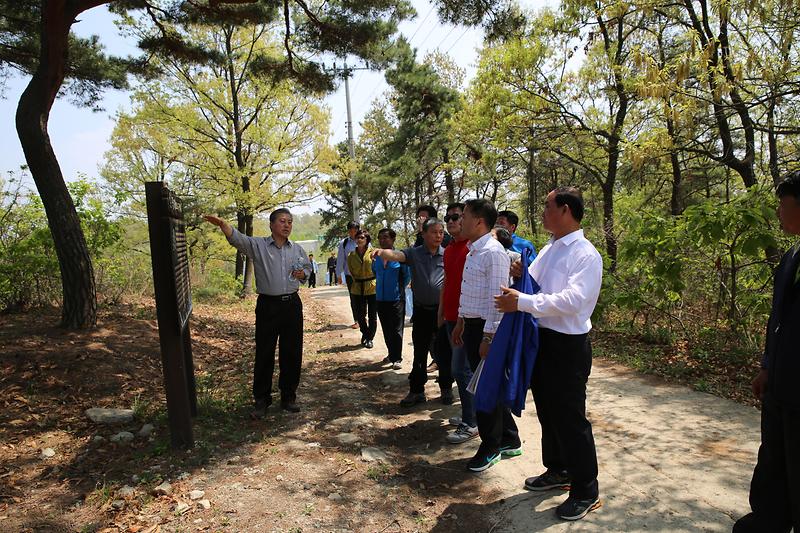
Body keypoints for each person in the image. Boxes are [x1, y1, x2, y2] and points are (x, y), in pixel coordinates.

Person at [495, 186, 603, 521]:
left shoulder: (585, 254)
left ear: (566, 210)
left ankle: (586, 489)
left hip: (568, 346)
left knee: (570, 417)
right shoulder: (551, 247)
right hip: (542, 340)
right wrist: (520, 276)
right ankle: (558, 469)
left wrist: (523, 302)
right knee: (548, 411)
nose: (542, 213)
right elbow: (534, 281)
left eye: (548, 206)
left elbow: (574, 301)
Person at [733, 171, 800, 533]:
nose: (777, 211)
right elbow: (779, 319)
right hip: (780, 386)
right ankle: (768, 520)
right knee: (773, 461)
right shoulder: (791, 257)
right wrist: (766, 366)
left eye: (783, 203)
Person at [203, 209, 310, 416]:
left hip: (292, 305)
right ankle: (261, 399)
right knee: (264, 352)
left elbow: (307, 270)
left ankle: (288, 396)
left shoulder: (296, 249)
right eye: (282, 221)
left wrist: (303, 273)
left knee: (292, 352)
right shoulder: (258, 246)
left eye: (290, 222)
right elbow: (237, 238)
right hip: (268, 306)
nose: (286, 225)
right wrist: (222, 224)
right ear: (271, 225)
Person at [451, 199, 517, 472]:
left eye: (464, 216)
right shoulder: (473, 251)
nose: (459, 220)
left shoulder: (493, 253)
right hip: (473, 325)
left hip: (488, 329)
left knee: (484, 390)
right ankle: (510, 440)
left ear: (478, 221)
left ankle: (490, 447)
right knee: (488, 386)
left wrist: (488, 338)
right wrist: (461, 322)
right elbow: (472, 294)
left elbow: (498, 300)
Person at [373, 218, 446, 407]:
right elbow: (397, 255)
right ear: (424, 234)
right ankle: (416, 391)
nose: (438, 236)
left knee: (444, 352)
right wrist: (382, 252)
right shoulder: (414, 253)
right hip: (422, 311)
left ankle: (446, 389)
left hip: (442, 312)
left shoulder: (447, 255)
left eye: (441, 232)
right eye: (434, 232)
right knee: (420, 352)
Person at [438, 202, 478, 444]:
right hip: (452, 317)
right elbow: (448, 284)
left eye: (456, 217)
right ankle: (468, 414)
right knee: (461, 370)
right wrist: (442, 311)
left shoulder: (472, 249)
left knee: (462, 370)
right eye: (448, 218)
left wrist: (462, 319)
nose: (451, 221)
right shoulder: (450, 249)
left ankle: (472, 422)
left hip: (466, 319)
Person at [374, 228, 411, 370]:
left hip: (396, 298)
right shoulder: (376, 257)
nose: (383, 240)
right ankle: (391, 353)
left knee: (396, 329)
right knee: (386, 328)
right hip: (380, 299)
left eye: (386, 237)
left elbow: (407, 275)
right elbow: (374, 272)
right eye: (380, 238)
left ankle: (397, 358)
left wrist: (398, 288)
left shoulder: (400, 257)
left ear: (393, 239)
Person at [347, 229, 377, 349]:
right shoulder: (351, 255)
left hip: (372, 286)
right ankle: (365, 333)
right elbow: (351, 271)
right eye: (358, 237)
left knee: (372, 315)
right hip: (357, 287)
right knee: (360, 314)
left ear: (367, 240)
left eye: (362, 237)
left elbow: (377, 269)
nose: (359, 239)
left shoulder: (373, 253)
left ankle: (370, 338)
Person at [336, 221, 360, 329]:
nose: (353, 232)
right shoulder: (344, 243)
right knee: (354, 298)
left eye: (355, 230)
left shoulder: (364, 240)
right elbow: (341, 260)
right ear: (348, 231)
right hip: (350, 275)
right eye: (351, 230)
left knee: (364, 297)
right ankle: (357, 320)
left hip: (364, 275)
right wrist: (338, 274)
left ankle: (363, 317)